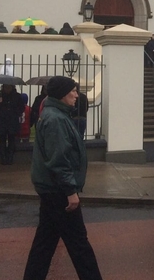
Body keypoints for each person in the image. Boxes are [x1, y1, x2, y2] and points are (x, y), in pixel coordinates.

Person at [23, 76, 103, 280]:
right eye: (73, 91)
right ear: (61, 94)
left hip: (52, 189)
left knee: (45, 243)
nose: (77, 95)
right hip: (58, 191)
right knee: (79, 244)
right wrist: (70, 191)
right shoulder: (56, 118)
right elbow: (58, 159)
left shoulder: (55, 114)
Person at [0, 83, 24, 164]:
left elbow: (21, 108)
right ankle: (3, 158)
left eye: (9, 87)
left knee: (12, 140)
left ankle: (10, 158)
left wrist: (14, 112)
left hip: (12, 121)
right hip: (2, 121)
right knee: (2, 140)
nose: (7, 88)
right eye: (5, 87)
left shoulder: (17, 96)